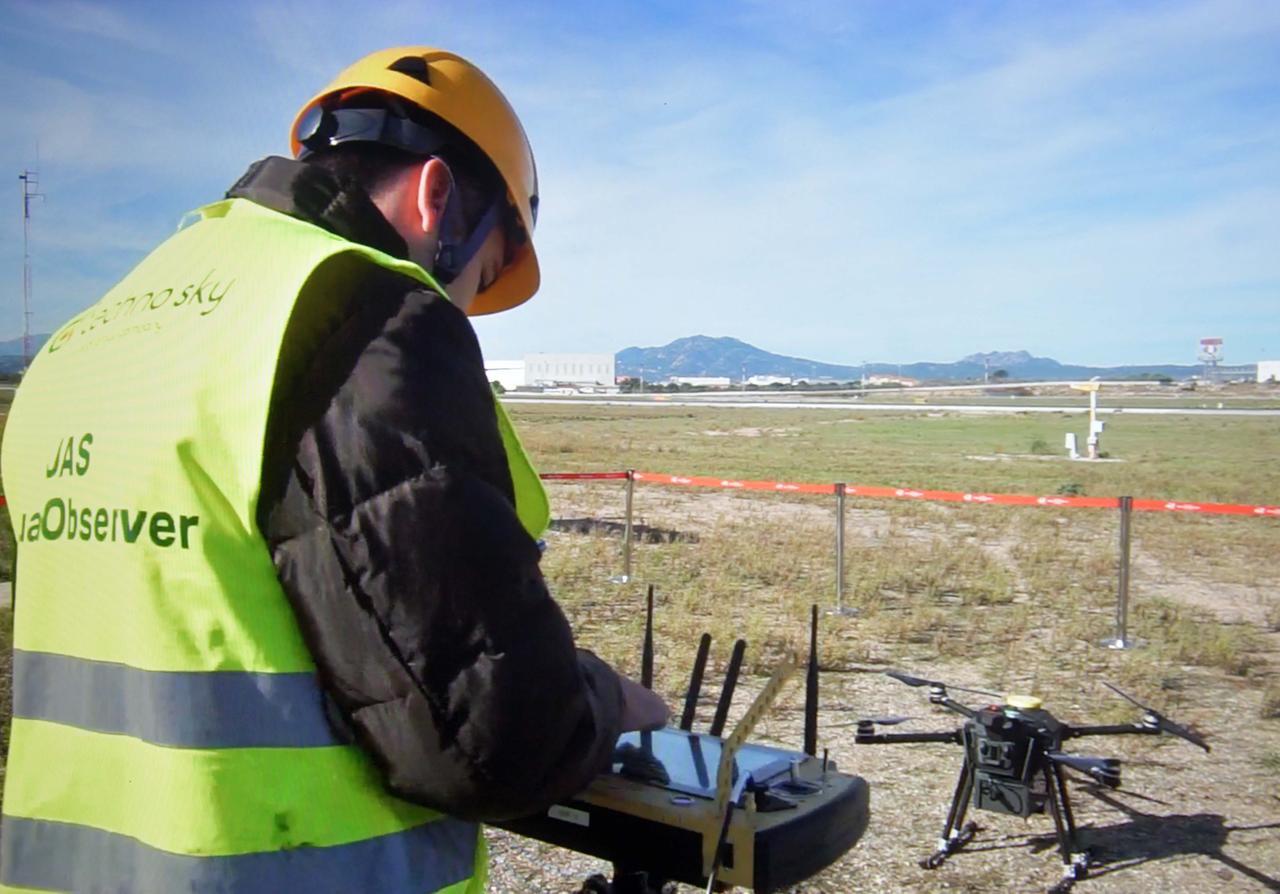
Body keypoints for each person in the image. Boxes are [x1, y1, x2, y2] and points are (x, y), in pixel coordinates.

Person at [0, 46, 667, 893]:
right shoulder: (365, 317)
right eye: (484, 273)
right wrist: (604, 704)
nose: (464, 308)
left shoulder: (87, 338)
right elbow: (488, 742)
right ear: (437, 197)